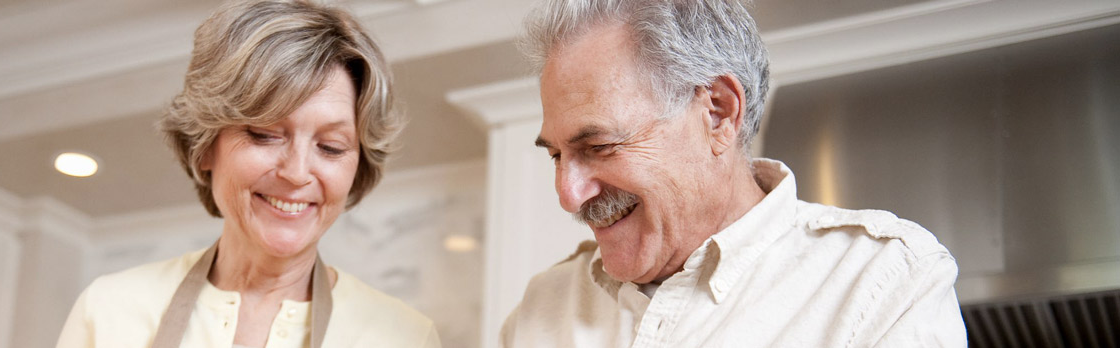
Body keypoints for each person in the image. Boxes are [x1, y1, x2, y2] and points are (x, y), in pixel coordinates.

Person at [501, 0, 967, 347]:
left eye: (599, 146)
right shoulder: (544, 305)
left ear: (719, 114)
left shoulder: (883, 281)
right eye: (557, 156)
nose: (568, 194)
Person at [55, 1, 440, 347]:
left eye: (331, 147)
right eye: (265, 135)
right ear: (205, 146)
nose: (296, 172)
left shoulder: (404, 336)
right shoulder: (109, 311)